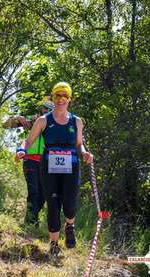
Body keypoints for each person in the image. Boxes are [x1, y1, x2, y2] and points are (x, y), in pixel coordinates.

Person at [16, 82, 93, 257]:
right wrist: (21, 150)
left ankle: (70, 225)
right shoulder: (44, 120)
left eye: (64, 96)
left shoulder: (77, 121)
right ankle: (54, 244)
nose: (61, 99)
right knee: (52, 204)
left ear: (70, 99)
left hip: (71, 166)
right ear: (53, 98)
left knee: (70, 203)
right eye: (57, 96)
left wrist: (85, 153)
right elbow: (28, 141)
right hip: (49, 167)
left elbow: (79, 145)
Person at [3, 98, 54, 226]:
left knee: (43, 194)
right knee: (34, 191)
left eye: (48, 109)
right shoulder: (34, 120)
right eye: (44, 108)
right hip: (30, 159)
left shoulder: (56, 124)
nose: (45, 111)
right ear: (41, 108)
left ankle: (32, 219)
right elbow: (6, 124)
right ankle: (31, 222)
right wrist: (17, 118)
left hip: (47, 163)